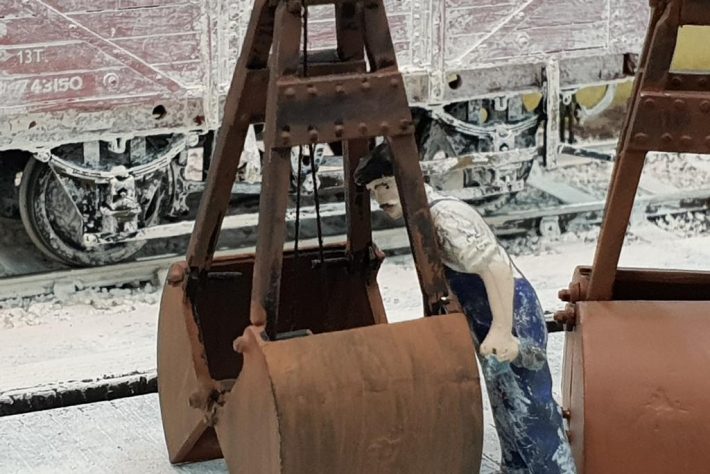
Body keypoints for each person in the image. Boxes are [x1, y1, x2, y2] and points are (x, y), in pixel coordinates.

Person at [354, 142, 576, 474]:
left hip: (509, 313)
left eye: (385, 185)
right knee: (507, 407)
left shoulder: (446, 219)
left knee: (531, 409)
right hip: (486, 315)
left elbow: (496, 267)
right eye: (374, 191)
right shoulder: (424, 216)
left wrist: (502, 330)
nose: (380, 197)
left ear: (408, 180)